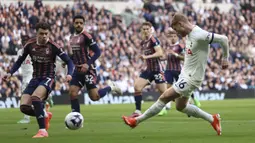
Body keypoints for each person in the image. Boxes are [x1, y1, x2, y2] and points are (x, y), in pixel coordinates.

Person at [122, 13, 229, 136]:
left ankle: (136, 121)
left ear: (180, 24)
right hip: (185, 75)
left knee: (164, 97)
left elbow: (223, 39)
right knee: (180, 106)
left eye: (176, 29)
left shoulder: (199, 34)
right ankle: (212, 119)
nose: (177, 33)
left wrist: (225, 58)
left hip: (191, 78)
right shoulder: (190, 34)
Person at [4, 22, 74, 138]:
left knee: (36, 98)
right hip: (35, 78)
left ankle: (42, 130)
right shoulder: (30, 45)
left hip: (48, 78)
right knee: (24, 107)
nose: (44, 36)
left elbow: (69, 61)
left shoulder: (53, 46)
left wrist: (69, 74)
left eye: (46, 34)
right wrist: (10, 73)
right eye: (41, 33)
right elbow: (19, 61)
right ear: (37, 33)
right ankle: (44, 114)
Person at [68, 15, 122, 113]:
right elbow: (75, 54)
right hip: (78, 70)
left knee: (94, 97)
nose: (79, 25)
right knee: (72, 92)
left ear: (83, 24)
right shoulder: (72, 37)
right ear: (73, 24)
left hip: (88, 70)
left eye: (81, 23)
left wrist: (87, 64)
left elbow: (98, 52)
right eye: (77, 23)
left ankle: (111, 87)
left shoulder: (87, 36)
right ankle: (76, 117)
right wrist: (67, 61)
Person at [158, 28, 201, 116]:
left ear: (177, 37)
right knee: (167, 90)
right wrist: (160, 59)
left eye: (174, 36)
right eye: (171, 36)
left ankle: (193, 100)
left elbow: (185, 58)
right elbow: (167, 58)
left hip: (178, 70)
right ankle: (165, 108)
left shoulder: (180, 46)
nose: (173, 38)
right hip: (168, 70)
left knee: (184, 89)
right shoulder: (168, 47)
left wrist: (176, 55)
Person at [130, 22, 167, 117]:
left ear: (151, 29)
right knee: (137, 87)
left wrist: (146, 57)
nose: (145, 30)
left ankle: (186, 105)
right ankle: (138, 111)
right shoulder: (143, 42)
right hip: (149, 70)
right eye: (144, 29)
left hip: (158, 70)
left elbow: (160, 53)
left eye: (147, 29)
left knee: (166, 94)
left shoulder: (153, 40)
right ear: (141, 30)